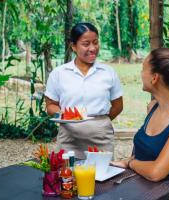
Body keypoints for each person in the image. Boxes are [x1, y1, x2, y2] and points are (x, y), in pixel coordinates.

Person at [112, 48, 169, 182]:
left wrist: (130, 163)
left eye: (143, 69)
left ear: (154, 78)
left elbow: (156, 172)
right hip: (137, 185)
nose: (140, 73)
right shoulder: (153, 107)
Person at [45, 22, 123, 159]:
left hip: (101, 140)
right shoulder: (59, 74)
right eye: (86, 44)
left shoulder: (108, 72)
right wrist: (66, 117)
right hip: (68, 141)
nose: (92, 48)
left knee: (102, 178)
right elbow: (50, 105)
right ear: (73, 46)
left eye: (95, 42)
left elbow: (118, 106)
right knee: (68, 176)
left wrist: (99, 124)